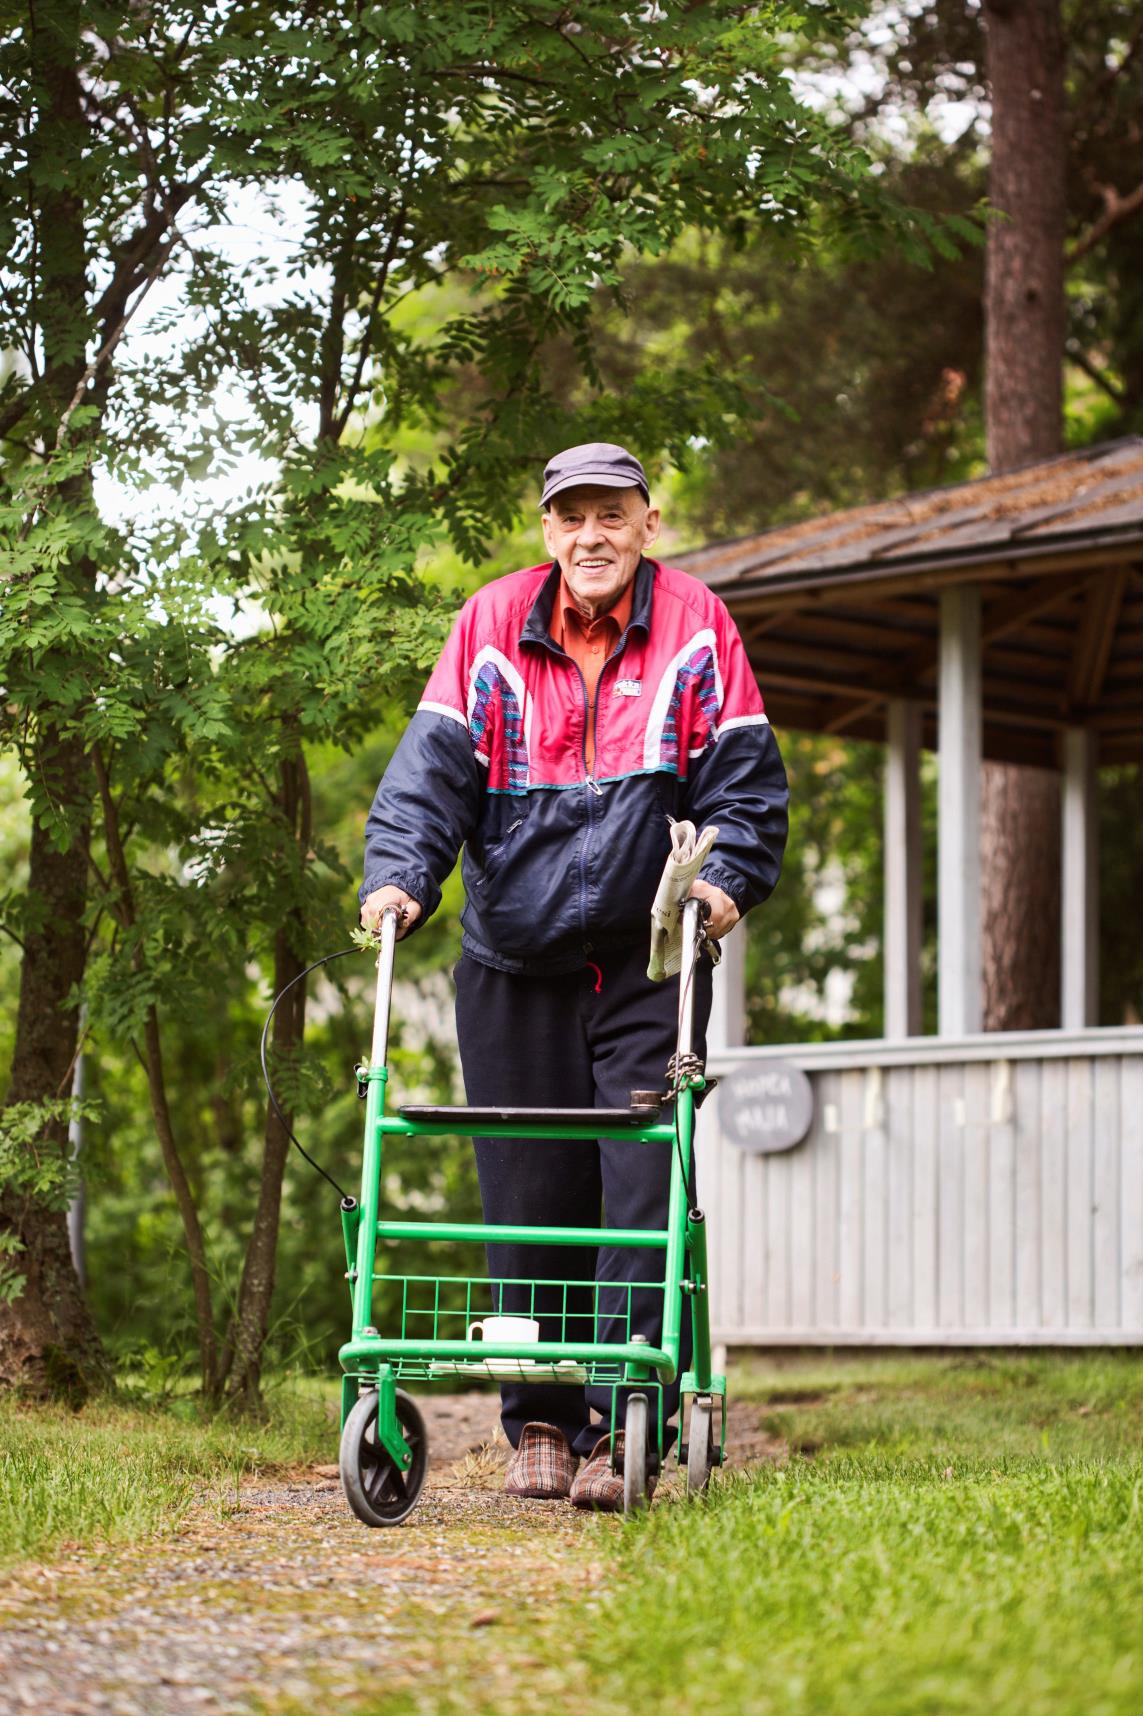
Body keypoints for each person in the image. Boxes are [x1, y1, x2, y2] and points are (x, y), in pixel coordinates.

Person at [360, 442, 787, 1509]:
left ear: (650, 522)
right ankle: (542, 1425)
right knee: (532, 1194)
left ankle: (627, 1413)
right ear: (548, 531)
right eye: (570, 518)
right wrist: (401, 880)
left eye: (612, 515)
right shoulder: (492, 626)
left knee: (641, 1193)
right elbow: (430, 780)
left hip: (651, 963)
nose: (590, 536)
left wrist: (727, 879)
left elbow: (746, 787)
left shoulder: (698, 625)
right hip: (513, 959)